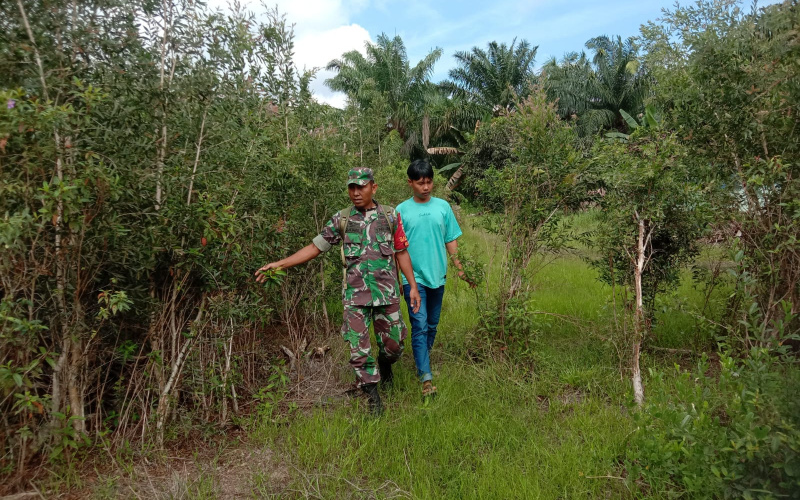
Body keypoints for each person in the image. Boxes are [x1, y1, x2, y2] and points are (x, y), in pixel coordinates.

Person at [255, 167, 421, 416]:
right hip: (355, 298)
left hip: (386, 295)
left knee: (394, 347)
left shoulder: (390, 216)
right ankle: (373, 397)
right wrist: (280, 264)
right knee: (359, 349)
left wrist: (413, 287)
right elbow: (315, 247)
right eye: (351, 187)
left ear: (373, 187)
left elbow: (401, 252)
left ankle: (385, 365)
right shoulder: (341, 219)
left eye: (361, 187)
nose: (355, 192)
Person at [396, 159, 473, 398]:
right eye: (420, 183)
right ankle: (426, 377)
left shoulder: (443, 207)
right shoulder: (400, 211)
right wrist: (400, 280)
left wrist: (461, 268)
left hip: (438, 276)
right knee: (419, 324)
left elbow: (451, 240)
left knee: (432, 324)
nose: (426, 187)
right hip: (413, 279)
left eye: (429, 182)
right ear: (410, 183)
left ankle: (423, 360)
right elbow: (397, 249)